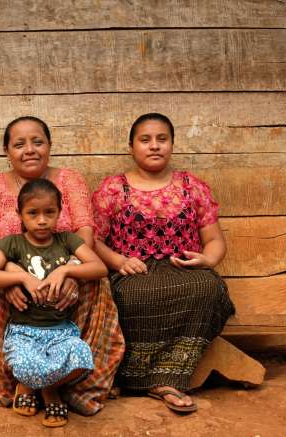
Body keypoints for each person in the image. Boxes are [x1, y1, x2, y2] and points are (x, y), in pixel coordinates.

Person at [0, 116, 125, 415]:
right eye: (19, 144)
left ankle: (80, 386)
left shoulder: (70, 179)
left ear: (49, 146)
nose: (29, 150)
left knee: (99, 285)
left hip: (66, 268)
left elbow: (85, 230)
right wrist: (15, 275)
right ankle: (12, 382)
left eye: (37, 142)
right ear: (6, 150)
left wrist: (69, 272)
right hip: (5, 271)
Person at [91, 113, 235, 414]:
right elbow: (93, 240)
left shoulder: (191, 187)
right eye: (145, 140)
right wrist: (118, 261)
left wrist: (207, 259)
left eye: (162, 139)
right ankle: (131, 377)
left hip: (181, 269)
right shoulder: (114, 189)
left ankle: (168, 377)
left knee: (208, 288)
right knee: (131, 296)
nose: (154, 146)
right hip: (132, 271)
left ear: (172, 144)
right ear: (132, 147)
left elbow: (215, 240)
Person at [0, 179, 107, 427]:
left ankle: (32, 387)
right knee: (25, 363)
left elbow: (99, 267)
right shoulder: (12, 243)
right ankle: (50, 392)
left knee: (82, 357)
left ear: (59, 212)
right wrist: (21, 277)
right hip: (24, 333)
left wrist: (65, 272)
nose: (41, 220)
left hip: (60, 332)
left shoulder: (66, 241)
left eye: (50, 212)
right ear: (19, 214)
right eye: (33, 213)